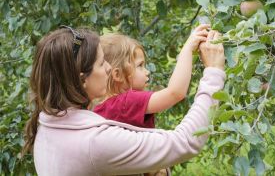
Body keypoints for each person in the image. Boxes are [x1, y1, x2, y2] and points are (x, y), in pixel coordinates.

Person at [23, 25, 225, 175]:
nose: (110, 69)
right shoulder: (94, 142)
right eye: (102, 64)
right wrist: (214, 73)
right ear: (82, 79)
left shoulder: (48, 122)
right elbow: (185, 142)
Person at [93, 26, 210, 176]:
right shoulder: (125, 102)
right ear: (118, 74)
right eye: (140, 66)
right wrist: (187, 50)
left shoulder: (100, 108)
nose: (147, 71)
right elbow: (175, 93)